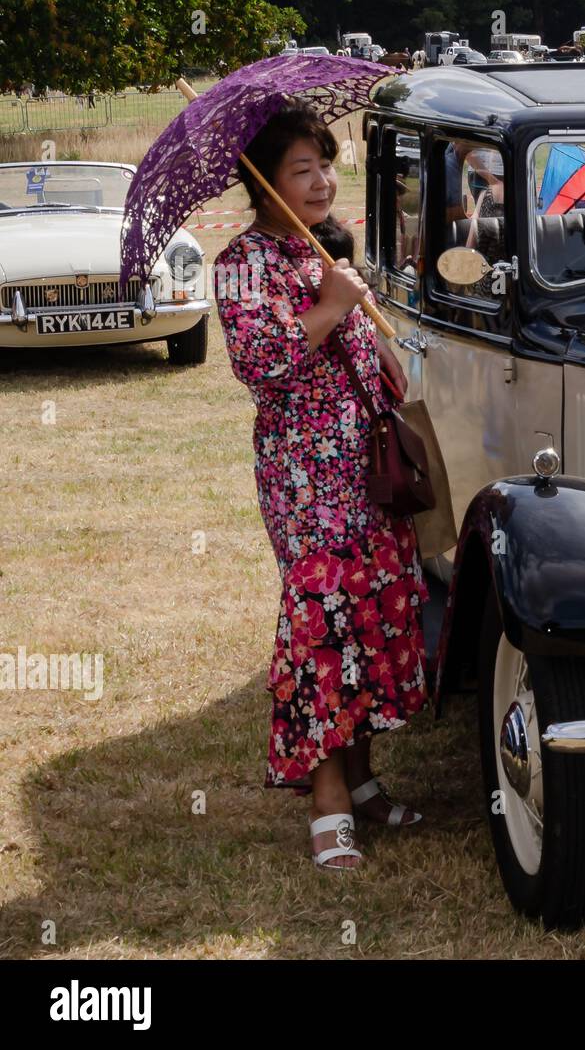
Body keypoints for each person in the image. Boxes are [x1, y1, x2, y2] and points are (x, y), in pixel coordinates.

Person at [213, 101, 429, 871]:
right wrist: (332, 306)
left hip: (368, 467)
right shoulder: (243, 262)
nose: (321, 182)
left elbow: (346, 334)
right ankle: (328, 795)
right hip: (307, 476)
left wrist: (374, 343)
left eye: (326, 166)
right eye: (301, 169)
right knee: (323, 624)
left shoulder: (321, 252)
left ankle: (365, 776)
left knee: (373, 608)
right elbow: (260, 365)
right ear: (263, 183)